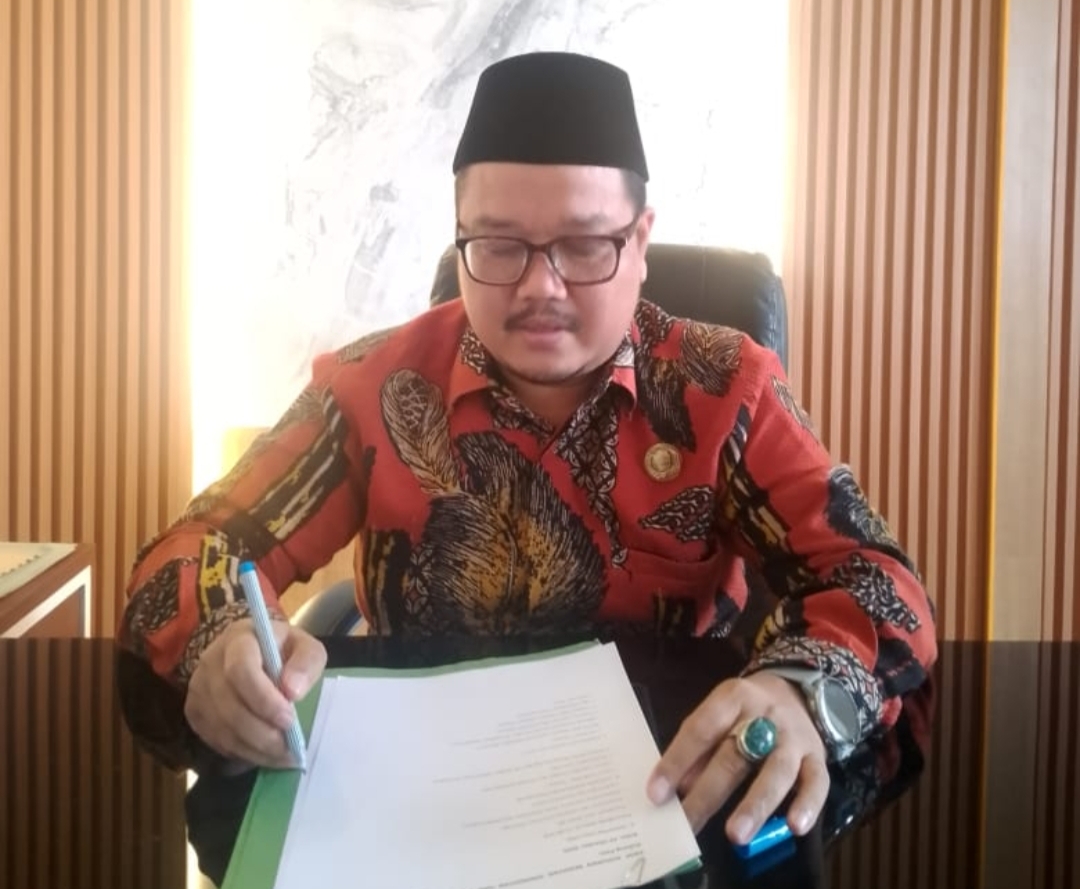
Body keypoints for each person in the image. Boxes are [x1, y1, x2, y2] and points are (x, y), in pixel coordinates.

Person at [120, 51, 937, 847]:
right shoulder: (374, 384)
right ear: (459, 240)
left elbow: (878, 581)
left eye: (585, 246)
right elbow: (195, 546)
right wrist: (221, 639)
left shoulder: (724, 389)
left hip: (664, 791)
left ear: (640, 241)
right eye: (500, 245)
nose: (540, 287)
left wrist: (801, 695)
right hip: (410, 804)